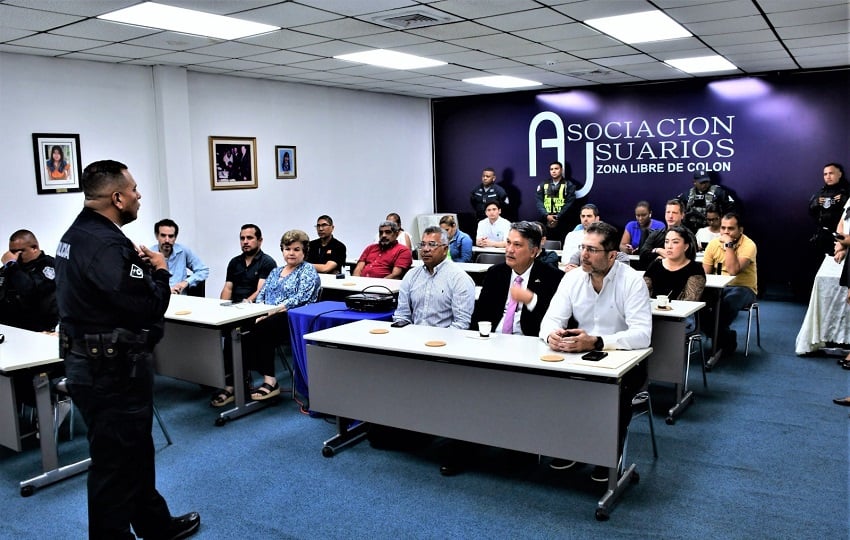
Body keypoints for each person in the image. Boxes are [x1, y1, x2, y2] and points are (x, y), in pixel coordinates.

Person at [54, 159, 200, 539]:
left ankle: (154, 524)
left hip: (91, 362)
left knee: (131, 452)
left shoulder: (76, 235)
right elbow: (149, 305)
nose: (138, 196)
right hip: (111, 370)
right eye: (134, 190)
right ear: (117, 198)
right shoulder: (106, 244)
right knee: (116, 462)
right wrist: (161, 270)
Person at [539, 221, 651, 481]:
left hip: (626, 362)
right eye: (582, 248)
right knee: (552, 383)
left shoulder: (632, 282)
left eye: (591, 250)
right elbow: (550, 321)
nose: (583, 255)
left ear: (612, 255)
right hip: (581, 355)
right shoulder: (573, 278)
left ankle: (607, 457)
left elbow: (642, 335)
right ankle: (571, 446)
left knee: (612, 394)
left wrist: (599, 342)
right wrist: (551, 335)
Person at [247, 230, 321, 401]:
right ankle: (235, 380)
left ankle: (270, 381)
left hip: (292, 318)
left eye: (296, 249)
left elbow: (301, 298)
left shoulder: (308, 270)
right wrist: (261, 310)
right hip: (267, 315)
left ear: (304, 251)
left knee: (262, 328)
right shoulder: (275, 272)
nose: (291, 253)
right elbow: (262, 294)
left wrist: (272, 311)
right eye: (287, 249)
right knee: (238, 329)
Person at [472, 221, 563, 336]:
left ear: (533, 251)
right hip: (493, 338)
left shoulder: (552, 277)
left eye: (517, 245)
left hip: (530, 343)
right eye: (508, 242)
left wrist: (531, 300)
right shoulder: (495, 273)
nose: (509, 249)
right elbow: (480, 314)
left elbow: (555, 321)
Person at [393, 226, 475, 329]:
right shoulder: (411, 275)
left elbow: (461, 324)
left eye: (432, 245)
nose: (425, 249)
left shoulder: (459, 278)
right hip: (413, 339)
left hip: (446, 340)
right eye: (422, 245)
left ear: (445, 249)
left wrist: (438, 341)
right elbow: (402, 316)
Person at [702, 212, 758, 354]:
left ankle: (717, 336)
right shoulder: (713, 244)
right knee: (697, 302)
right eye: (723, 228)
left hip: (744, 288)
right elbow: (704, 274)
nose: (726, 232)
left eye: (731, 228)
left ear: (740, 230)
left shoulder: (748, 245)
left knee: (727, 303)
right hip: (718, 287)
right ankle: (726, 337)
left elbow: (733, 270)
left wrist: (729, 245)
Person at [643, 226, 706, 332]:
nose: (669, 246)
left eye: (675, 242)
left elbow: (689, 302)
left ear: (685, 246)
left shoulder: (695, 269)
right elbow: (642, 293)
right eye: (667, 242)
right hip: (652, 315)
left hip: (680, 319)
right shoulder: (655, 265)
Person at [0, 229, 58, 332]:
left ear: (34, 248)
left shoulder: (49, 266)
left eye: (19, 252)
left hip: (35, 330)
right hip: (7, 327)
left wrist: (11, 266)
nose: (15, 256)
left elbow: (31, 291)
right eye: (11, 252)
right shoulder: (12, 268)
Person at [220, 224, 277, 304]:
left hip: (253, 309)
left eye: (249, 238)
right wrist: (222, 307)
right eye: (242, 238)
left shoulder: (267, 262)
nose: (245, 242)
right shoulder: (234, 262)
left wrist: (243, 305)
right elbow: (228, 288)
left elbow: (260, 291)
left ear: (260, 241)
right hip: (233, 307)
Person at [150, 218, 209, 295]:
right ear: (157, 236)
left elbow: (203, 270)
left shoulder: (183, 251)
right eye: (163, 235)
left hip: (181, 300)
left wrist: (186, 282)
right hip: (158, 300)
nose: (167, 240)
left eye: (171, 236)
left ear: (175, 237)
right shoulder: (149, 254)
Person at [638, 199, 692, 270]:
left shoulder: (688, 235)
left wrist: (658, 250)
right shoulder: (655, 234)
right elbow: (643, 254)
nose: (670, 216)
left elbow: (685, 257)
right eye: (668, 212)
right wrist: (658, 254)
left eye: (674, 213)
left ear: (682, 215)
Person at [808, 163, 848, 255]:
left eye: (831, 173)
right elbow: (810, 212)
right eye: (825, 174)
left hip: (842, 236)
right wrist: (815, 203)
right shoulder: (821, 192)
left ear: (840, 174)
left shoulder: (846, 191)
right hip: (823, 235)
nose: (828, 177)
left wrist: (845, 200)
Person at [536, 160, 577, 242]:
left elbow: (569, 203)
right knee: (545, 242)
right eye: (551, 169)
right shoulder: (543, 184)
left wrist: (558, 216)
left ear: (561, 170)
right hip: (546, 220)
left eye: (556, 169)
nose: (553, 171)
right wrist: (547, 215)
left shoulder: (569, 185)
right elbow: (539, 201)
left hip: (563, 221)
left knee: (562, 242)